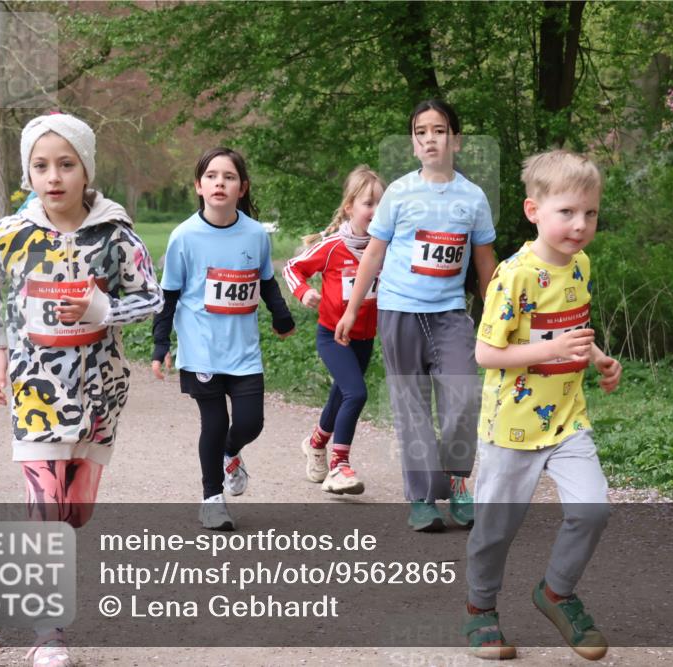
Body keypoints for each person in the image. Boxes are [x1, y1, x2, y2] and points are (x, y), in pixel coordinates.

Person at [0, 113, 164, 667]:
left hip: (100, 390)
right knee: (43, 504)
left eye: (66, 165)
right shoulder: (12, 232)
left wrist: (104, 307)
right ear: (29, 173)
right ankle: (46, 632)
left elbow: (152, 298)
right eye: (41, 166)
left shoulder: (115, 233)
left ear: (85, 170)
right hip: (35, 387)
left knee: (74, 510)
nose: (54, 177)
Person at [462, 150, 622, 661]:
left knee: (592, 508)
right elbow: (486, 352)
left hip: (567, 419)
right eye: (567, 212)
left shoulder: (581, 265)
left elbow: (572, 329)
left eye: (590, 214)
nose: (580, 225)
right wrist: (552, 351)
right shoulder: (514, 276)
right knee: (495, 530)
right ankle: (480, 609)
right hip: (511, 425)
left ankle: (556, 592)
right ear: (534, 211)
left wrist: (598, 358)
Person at [334, 99, 497, 531]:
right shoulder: (399, 194)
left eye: (439, 130)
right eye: (421, 131)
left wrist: (499, 317)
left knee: (463, 400)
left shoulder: (473, 197)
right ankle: (422, 497)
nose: (430, 138)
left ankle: (459, 484)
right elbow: (374, 253)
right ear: (412, 143)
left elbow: (485, 264)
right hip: (399, 312)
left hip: (449, 315)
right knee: (413, 410)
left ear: (456, 140)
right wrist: (352, 310)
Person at [152, 147, 295, 531]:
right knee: (213, 423)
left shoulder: (254, 234)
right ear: (199, 186)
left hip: (243, 351)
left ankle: (231, 452)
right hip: (202, 351)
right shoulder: (184, 236)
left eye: (229, 177)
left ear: (242, 187)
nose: (220, 182)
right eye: (212, 176)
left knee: (251, 423)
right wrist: (160, 345)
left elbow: (265, 281)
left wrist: (282, 317)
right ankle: (212, 498)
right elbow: (169, 295)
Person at [283, 166, 386, 495]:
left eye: (381, 204)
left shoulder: (386, 246)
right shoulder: (331, 247)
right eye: (369, 203)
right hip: (333, 336)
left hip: (364, 338)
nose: (375, 211)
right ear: (349, 208)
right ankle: (339, 466)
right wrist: (304, 292)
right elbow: (292, 267)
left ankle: (316, 443)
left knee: (341, 394)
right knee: (356, 393)